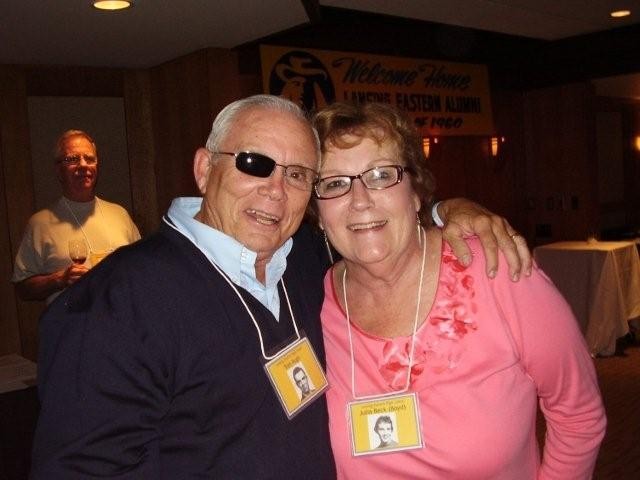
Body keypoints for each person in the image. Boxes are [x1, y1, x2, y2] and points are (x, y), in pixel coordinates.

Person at [31, 95, 530, 478]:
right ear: (205, 169)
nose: (275, 190)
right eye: (254, 163)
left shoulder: (309, 258)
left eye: (297, 174)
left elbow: (380, 226)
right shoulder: (116, 303)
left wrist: (448, 210)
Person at [311, 102, 606, 479]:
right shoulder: (312, 301)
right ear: (318, 213)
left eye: (382, 175)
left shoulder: (496, 269)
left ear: (415, 193)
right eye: (335, 183)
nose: (360, 200)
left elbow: (579, 417)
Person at [12, 130, 140, 304]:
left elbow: (141, 268)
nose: (83, 165)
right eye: (72, 159)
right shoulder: (40, 223)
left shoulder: (120, 214)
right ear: (59, 170)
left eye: (89, 158)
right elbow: (22, 289)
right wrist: (59, 279)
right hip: (71, 320)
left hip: (122, 317)